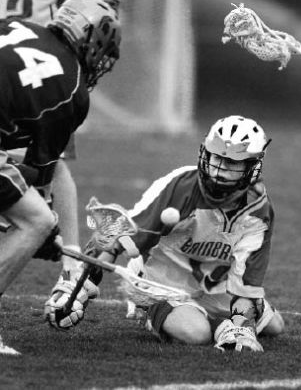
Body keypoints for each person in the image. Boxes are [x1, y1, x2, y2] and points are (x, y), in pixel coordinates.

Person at [47, 115, 284, 352]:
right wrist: (78, 288)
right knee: (196, 333)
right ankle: (150, 311)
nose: (219, 170)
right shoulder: (180, 185)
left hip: (215, 286)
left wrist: (241, 323)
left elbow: (246, 280)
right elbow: (120, 235)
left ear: (251, 168)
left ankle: (224, 323)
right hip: (162, 283)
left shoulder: (258, 211)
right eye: (216, 158)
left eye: (232, 163)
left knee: (275, 327)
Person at [0, 0, 121, 289]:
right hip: (38, 82)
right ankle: (67, 258)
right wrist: (44, 228)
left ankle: (67, 258)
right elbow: (39, 173)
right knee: (36, 216)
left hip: (21, 68)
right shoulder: (71, 92)